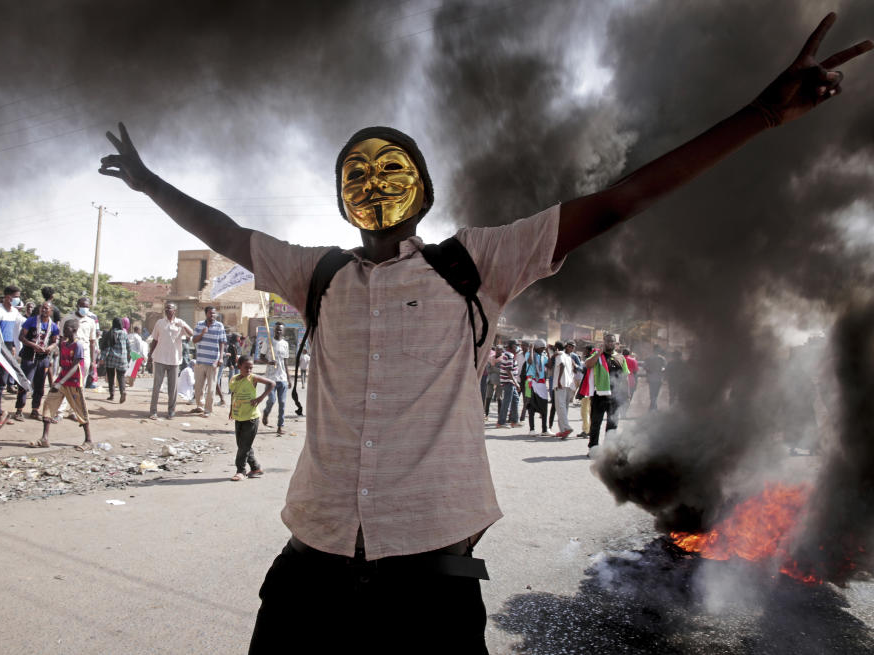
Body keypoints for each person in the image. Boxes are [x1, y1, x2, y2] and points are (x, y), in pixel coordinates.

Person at [98, 20, 872, 648]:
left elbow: (619, 202)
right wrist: (149, 183)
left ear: (422, 191)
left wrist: (761, 115)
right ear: (341, 199)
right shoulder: (316, 274)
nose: (372, 184)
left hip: (430, 589)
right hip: (308, 575)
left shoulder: (475, 262)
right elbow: (228, 234)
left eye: (388, 168)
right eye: (355, 174)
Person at [33, 318, 93, 450]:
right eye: (63, 329)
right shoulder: (64, 344)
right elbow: (61, 364)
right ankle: (45, 438)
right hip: (62, 379)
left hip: (74, 382)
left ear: (74, 330)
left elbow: (75, 366)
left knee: (80, 410)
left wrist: (61, 382)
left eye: (66, 329)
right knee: (49, 404)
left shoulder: (78, 345)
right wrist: (58, 381)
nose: (64, 331)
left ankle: (88, 440)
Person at [229, 355, 274, 481]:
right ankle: (256, 468)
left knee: (244, 446)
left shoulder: (253, 378)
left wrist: (260, 398)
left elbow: (272, 383)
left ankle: (240, 471)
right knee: (242, 444)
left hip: (251, 418)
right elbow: (234, 394)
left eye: (251, 368)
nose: (248, 370)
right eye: (246, 368)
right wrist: (231, 410)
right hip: (239, 416)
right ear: (239, 366)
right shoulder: (234, 379)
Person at [582, 334, 630, 453]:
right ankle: (593, 448)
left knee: (612, 424)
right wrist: (599, 353)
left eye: (612, 342)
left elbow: (625, 377)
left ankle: (609, 449)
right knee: (595, 423)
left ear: (615, 343)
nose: (610, 343)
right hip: (599, 395)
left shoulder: (620, 357)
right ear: (604, 342)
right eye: (607, 341)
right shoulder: (598, 355)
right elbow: (588, 364)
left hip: (615, 396)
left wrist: (627, 394)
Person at [14, 301, 59, 420]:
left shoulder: (53, 326)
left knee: (39, 385)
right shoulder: (31, 321)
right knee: (24, 383)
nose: (44, 310)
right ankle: (19, 410)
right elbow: (21, 337)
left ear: (51, 311)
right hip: (29, 355)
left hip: (43, 357)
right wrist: (33, 345)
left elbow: (55, 341)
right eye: (42, 308)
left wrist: (49, 348)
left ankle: (35, 410)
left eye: (46, 309)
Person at [148, 302, 194, 419]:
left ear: (175, 310)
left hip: (174, 360)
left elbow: (192, 333)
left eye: (170, 308)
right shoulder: (160, 323)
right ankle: (153, 411)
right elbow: (155, 340)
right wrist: (150, 355)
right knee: (157, 387)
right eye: (166, 308)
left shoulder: (180, 323)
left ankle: (171, 411)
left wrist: (182, 326)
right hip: (160, 358)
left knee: (173, 388)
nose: (168, 310)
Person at [0, 285, 22, 431]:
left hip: (9, 347)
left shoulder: (14, 312)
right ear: (7, 297)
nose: (17, 299)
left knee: (2, 381)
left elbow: (18, 327)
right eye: (16, 296)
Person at [191, 306, 227, 417]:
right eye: (211, 313)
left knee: (211, 388)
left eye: (214, 313)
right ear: (206, 313)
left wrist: (220, 358)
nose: (213, 315)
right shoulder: (199, 324)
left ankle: (208, 410)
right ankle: (200, 405)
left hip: (213, 361)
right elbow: (194, 340)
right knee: (198, 387)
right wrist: (202, 333)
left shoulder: (219, 326)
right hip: (201, 360)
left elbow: (222, 342)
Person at [260, 321, 290, 435]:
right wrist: (268, 361)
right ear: (273, 330)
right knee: (272, 400)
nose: (278, 331)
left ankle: (280, 426)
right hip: (270, 378)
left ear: (283, 331)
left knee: (282, 402)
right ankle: (266, 412)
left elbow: (285, 361)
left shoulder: (285, 344)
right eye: (276, 329)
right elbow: (261, 357)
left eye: (280, 329)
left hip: (282, 378)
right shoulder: (268, 342)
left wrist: (289, 378)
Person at [102, 318, 131, 403]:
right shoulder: (124, 333)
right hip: (122, 358)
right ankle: (123, 392)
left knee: (111, 377)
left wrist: (102, 358)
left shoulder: (110, 333)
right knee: (121, 377)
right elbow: (128, 346)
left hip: (111, 358)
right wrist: (128, 356)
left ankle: (112, 395)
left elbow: (106, 347)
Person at [551, 341, 575, 438]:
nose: (572, 348)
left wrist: (559, 380)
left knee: (560, 407)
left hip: (561, 384)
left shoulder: (560, 355)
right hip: (568, 384)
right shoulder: (568, 357)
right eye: (570, 347)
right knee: (563, 408)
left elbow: (562, 365)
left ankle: (566, 427)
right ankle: (563, 430)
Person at [524, 342, 549, 435]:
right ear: (536, 347)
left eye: (544, 348)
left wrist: (548, 352)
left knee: (544, 405)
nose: (542, 349)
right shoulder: (528, 354)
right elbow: (530, 361)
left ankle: (545, 429)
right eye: (541, 348)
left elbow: (549, 365)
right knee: (530, 405)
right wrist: (531, 349)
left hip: (541, 382)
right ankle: (532, 429)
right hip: (529, 381)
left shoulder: (543, 356)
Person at [495, 340, 520, 429]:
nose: (516, 347)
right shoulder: (509, 355)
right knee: (506, 402)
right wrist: (516, 383)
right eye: (515, 346)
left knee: (515, 400)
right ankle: (501, 423)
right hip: (508, 382)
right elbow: (508, 370)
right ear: (510, 346)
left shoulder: (509, 355)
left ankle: (514, 421)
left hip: (510, 382)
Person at [575, 344, 595, 441]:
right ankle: (590, 430)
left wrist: (575, 366)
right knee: (590, 410)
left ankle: (586, 430)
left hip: (587, 388)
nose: (584, 352)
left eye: (585, 351)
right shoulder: (596, 360)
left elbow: (584, 370)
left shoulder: (589, 360)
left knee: (584, 410)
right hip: (592, 389)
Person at [643, 344, 667, 412]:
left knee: (652, 392)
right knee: (655, 392)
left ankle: (653, 405)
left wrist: (649, 370)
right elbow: (665, 368)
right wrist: (661, 370)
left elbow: (645, 367)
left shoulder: (648, 358)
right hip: (658, 378)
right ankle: (653, 406)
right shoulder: (662, 358)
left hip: (651, 378)